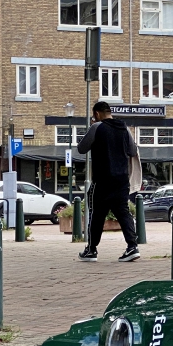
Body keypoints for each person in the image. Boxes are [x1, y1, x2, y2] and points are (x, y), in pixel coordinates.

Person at [76, 101, 140, 262]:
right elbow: (132, 151)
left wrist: (93, 128)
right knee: (123, 212)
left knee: (97, 214)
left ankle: (91, 250)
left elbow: (81, 148)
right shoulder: (124, 128)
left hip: (102, 179)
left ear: (97, 114)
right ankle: (132, 247)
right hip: (121, 180)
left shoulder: (97, 127)